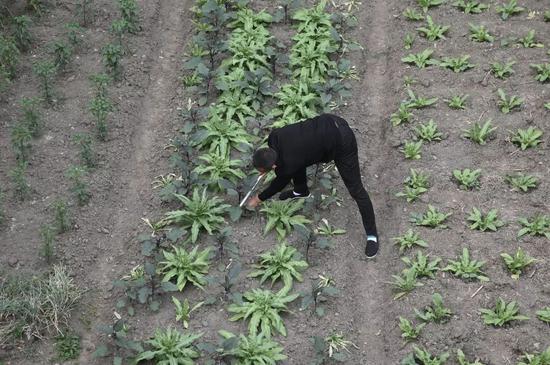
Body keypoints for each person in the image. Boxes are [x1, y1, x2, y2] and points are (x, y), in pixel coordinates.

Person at [247, 113, 379, 258]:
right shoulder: (275, 136)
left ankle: (372, 235)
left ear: (272, 166)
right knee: (297, 161)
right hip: (331, 119)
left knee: (356, 190)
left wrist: (258, 199)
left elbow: (277, 185)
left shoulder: (286, 166)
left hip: (342, 141)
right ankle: (300, 191)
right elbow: (291, 162)